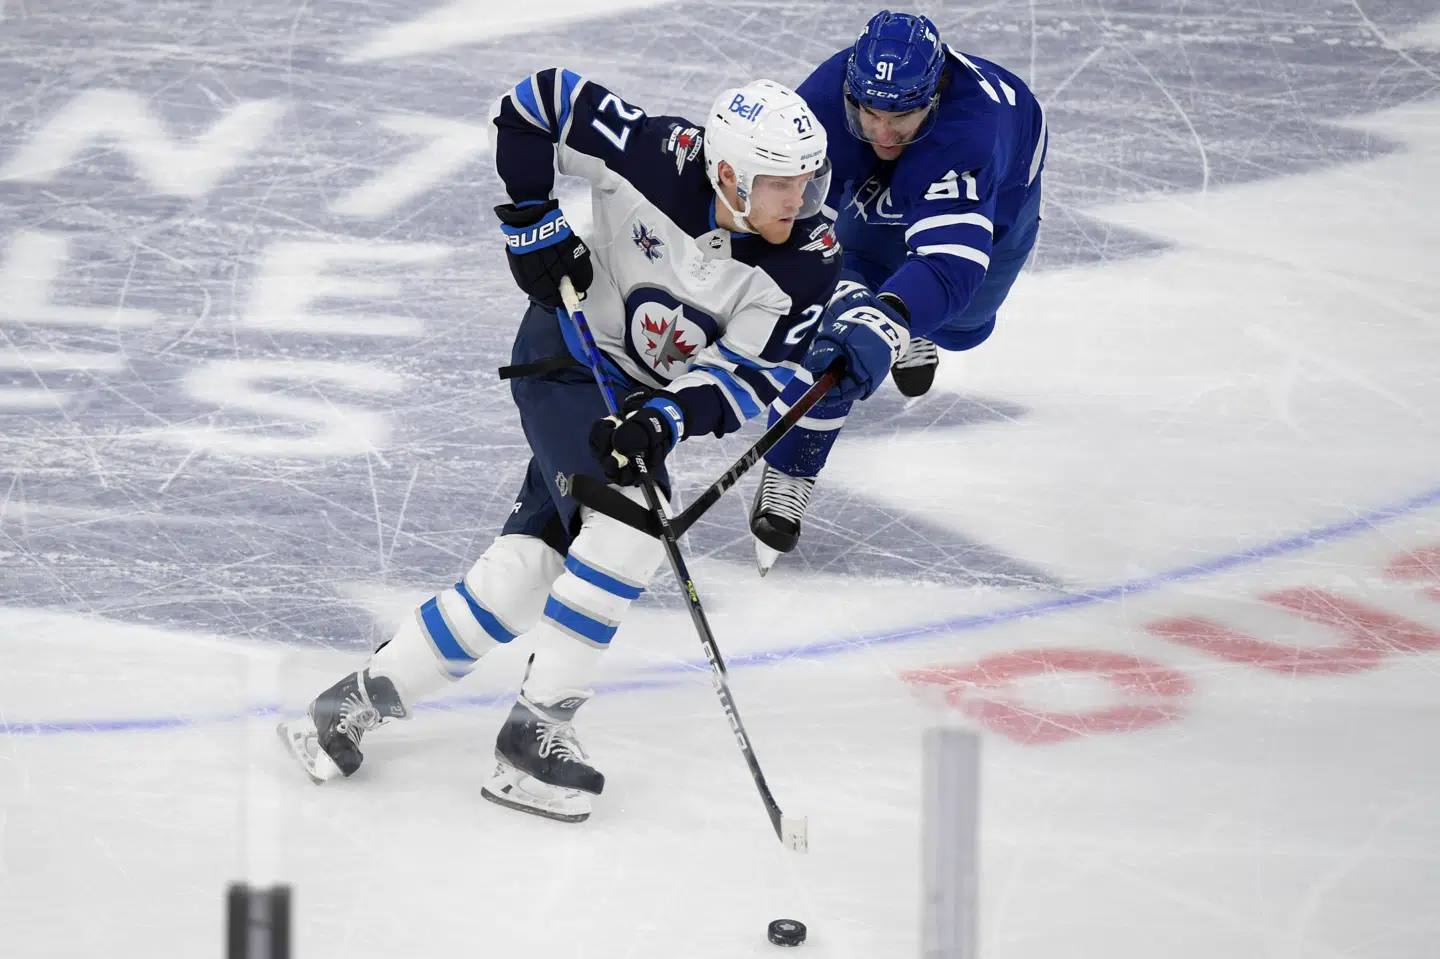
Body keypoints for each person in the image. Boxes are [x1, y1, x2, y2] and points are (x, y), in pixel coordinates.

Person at [276, 69, 894, 824]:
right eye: (779, 185)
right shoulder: (650, 152)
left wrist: (667, 418)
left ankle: (349, 704)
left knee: (527, 571)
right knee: (634, 522)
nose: (799, 200)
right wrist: (530, 219)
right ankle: (536, 734)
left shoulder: (808, 257)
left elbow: (747, 375)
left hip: (636, 406)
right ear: (727, 174)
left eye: (808, 180)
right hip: (568, 357)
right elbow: (536, 103)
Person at [749, 10, 1049, 573]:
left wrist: (893, 316)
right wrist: (848, 306)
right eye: (869, 112)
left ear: (933, 94)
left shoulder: (971, 134)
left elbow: (948, 265)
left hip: (999, 200)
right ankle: (790, 470)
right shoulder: (820, 103)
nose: (882, 132)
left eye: (902, 115)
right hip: (872, 205)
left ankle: (909, 323)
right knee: (835, 325)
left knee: (960, 327)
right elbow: (789, 230)